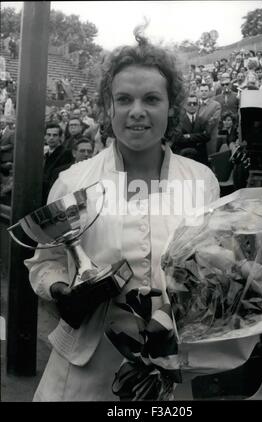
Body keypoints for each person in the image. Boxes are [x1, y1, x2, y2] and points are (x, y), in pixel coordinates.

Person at [24, 30, 220, 402]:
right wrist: (60, 291)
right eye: (124, 99)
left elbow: (213, 269)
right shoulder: (73, 181)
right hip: (84, 371)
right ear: (107, 106)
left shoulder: (202, 181)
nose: (137, 112)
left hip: (172, 373)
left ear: (172, 107)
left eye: (151, 99)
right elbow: (45, 261)